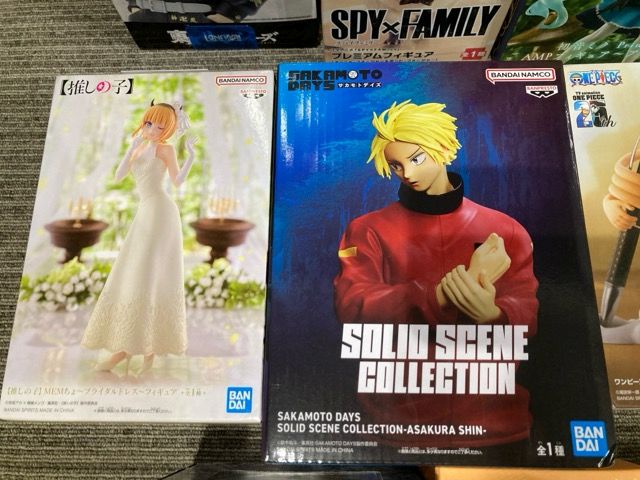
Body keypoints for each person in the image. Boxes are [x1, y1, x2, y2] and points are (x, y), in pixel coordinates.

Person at [333, 100, 539, 448]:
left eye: (416, 159)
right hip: (396, 424)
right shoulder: (367, 229)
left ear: (444, 150)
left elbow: (528, 313)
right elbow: (353, 304)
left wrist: (494, 315)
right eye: (396, 165)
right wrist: (443, 294)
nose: (407, 173)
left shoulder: (504, 229)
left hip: (496, 423)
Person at [82, 101, 197, 375]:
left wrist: (191, 156)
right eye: (149, 123)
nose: (153, 129)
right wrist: (131, 149)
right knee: (136, 273)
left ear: (169, 130)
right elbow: (119, 175)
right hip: (145, 212)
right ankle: (137, 348)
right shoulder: (139, 146)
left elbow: (177, 181)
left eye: (161, 126)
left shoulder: (166, 149)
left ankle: (135, 352)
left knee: (150, 274)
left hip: (161, 211)